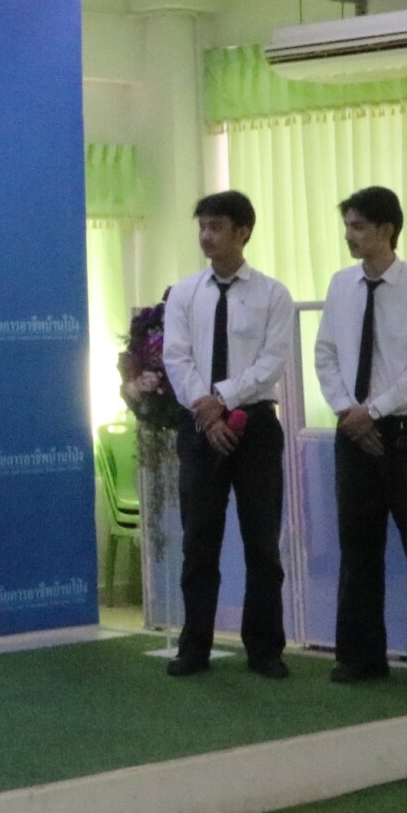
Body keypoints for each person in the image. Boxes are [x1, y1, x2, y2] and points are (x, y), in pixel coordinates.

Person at [313, 185, 407, 688]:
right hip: (352, 430)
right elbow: (325, 355)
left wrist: (372, 411)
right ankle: (359, 656)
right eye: (347, 226)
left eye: (358, 226)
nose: (349, 236)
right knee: (357, 548)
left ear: (387, 230)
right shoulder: (340, 285)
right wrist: (348, 412)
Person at [160, 191, 296, 679]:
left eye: (216, 226)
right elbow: (176, 358)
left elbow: (271, 362)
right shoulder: (184, 294)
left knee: (262, 544)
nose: (206, 236)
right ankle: (194, 647)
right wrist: (207, 410)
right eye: (202, 226)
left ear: (243, 232)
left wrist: (223, 398)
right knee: (199, 543)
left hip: (254, 427)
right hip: (200, 428)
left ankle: (264, 649)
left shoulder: (273, 295)